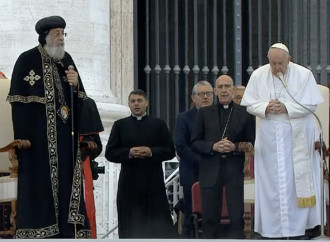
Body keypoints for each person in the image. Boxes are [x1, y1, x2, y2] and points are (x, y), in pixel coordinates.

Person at [7, 16, 92, 238]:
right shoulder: (27, 60)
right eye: (56, 34)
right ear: (45, 36)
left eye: (63, 33)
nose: (61, 38)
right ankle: (42, 233)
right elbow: (19, 104)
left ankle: (68, 232)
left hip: (65, 140)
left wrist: (76, 86)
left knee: (66, 186)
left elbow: (81, 101)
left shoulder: (67, 60)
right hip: (37, 143)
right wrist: (22, 138)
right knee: (40, 189)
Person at [241, 43, 324, 239]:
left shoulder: (303, 75)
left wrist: (286, 107)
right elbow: (249, 105)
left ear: (289, 59)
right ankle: (272, 230)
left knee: (296, 184)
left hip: (298, 137)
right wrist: (266, 107)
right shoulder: (259, 75)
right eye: (273, 63)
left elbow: (311, 104)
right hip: (270, 137)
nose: (276, 68)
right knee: (271, 183)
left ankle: (301, 228)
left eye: (280, 63)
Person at [105, 89, 176, 238]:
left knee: (157, 227)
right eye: (133, 101)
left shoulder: (159, 124)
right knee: (131, 227)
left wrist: (151, 152)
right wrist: (129, 153)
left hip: (153, 184)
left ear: (146, 103)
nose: (136, 104)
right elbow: (110, 153)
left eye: (139, 100)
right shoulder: (120, 125)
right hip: (129, 185)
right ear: (129, 105)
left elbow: (170, 151)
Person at [191, 75, 255, 239]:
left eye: (228, 86)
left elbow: (252, 142)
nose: (224, 90)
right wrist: (213, 146)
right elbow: (195, 142)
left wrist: (235, 147)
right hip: (210, 169)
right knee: (210, 219)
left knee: (236, 218)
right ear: (215, 90)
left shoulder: (245, 113)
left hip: (236, 170)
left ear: (233, 90)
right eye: (220, 87)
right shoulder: (204, 113)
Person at [174, 80, 213, 237]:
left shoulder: (219, 115)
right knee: (192, 211)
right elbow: (181, 147)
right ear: (193, 97)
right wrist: (205, 160)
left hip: (216, 172)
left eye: (208, 94)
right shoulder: (184, 118)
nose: (205, 97)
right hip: (192, 171)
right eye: (201, 94)